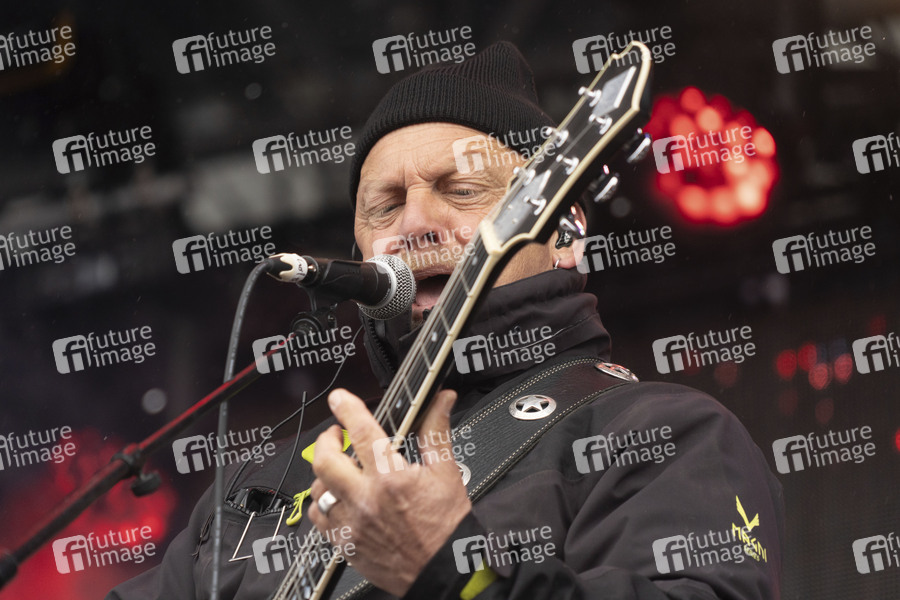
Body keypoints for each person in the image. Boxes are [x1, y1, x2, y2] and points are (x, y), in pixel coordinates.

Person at [107, 41, 784, 600]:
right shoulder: (261, 485)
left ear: (564, 232)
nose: (416, 223)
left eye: (461, 190)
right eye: (384, 206)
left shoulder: (661, 434)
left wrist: (454, 574)